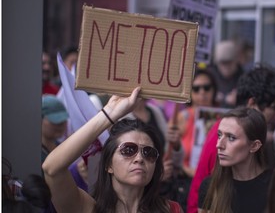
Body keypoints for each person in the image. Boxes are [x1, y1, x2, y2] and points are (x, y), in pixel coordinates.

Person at [42, 87, 183, 213]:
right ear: (108, 164)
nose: (140, 158)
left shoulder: (171, 209)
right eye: (128, 150)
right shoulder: (88, 208)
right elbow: (52, 169)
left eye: (148, 153)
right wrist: (109, 113)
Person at [186, 65, 275, 213]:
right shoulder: (224, 131)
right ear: (252, 104)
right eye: (274, 107)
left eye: (231, 138)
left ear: (255, 146)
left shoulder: (271, 183)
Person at [198, 107, 271, 213]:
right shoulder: (210, 186)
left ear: (254, 146)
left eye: (231, 138)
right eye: (219, 135)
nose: (219, 145)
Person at [175, 69, 218, 178]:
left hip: (214, 179)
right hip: (185, 178)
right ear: (190, 92)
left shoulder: (222, 118)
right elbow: (172, 152)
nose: (202, 92)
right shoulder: (182, 117)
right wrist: (185, 169)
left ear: (214, 90)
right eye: (196, 88)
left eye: (206, 87)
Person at [208, 40, 244, 108]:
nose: (226, 67)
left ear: (236, 60)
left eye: (229, 62)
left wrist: (240, 98)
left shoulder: (244, 78)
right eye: (222, 63)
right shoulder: (210, 75)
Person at [41, 95, 69, 164]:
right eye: (55, 120)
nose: (61, 124)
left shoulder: (62, 148)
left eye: (63, 120)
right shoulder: (35, 155)